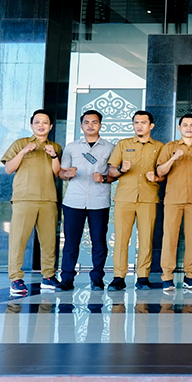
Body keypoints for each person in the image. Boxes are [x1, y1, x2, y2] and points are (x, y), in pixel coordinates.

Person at [2, 109, 63, 295]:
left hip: (48, 199)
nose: (41, 125)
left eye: (45, 122)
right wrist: (23, 152)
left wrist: (53, 155)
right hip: (24, 198)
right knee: (18, 240)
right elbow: (8, 169)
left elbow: (57, 172)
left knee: (48, 241)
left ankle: (48, 277)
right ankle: (16, 279)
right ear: (31, 125)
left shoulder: (56, 147)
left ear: (51, 126)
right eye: (37, 122)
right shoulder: (20, 143)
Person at [56, 110, 115, 291]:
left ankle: (97, 278)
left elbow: (114, 175)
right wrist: (67, 173)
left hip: (99, 201)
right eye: (87, 122)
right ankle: (67, 278)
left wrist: (104, 178)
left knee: (99, 241)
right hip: (74, 201)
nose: (91, 125)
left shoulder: (110, 148)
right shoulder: (72, 147)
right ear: (81, 125)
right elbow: (61, 173)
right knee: (71, 242)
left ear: (100, 125)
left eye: (95, 122)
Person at [107, 110, 165, 291]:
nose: (139, 126)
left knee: (146, 239)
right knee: (122, 239)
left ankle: (143, 276)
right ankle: (118, 276)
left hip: (148, 198)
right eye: (136, 122)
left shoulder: (160, 147)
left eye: (143, 122)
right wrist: (122, 169)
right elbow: (111, 172)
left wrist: (156, 177)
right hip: (125, 198)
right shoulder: (123, 145)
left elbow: (163, 175)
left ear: (151, 126)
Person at [156, 114, 192, 291]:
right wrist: (173, 159)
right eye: (185, 125)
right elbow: (160, 171)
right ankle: (167, 276)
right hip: (173, 199)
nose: (188, 128)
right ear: (179, 128)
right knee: (170, 237)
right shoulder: (169, 147)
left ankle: (190, 275)